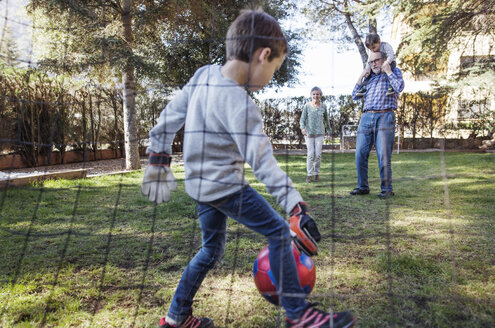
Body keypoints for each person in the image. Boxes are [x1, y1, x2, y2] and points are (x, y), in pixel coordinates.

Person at [141, 8, 356, 328]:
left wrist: (158, 154)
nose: (271, 77)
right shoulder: (241, 106)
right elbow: (263, 162)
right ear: (263, 55)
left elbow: (172, 114)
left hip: (198, 187)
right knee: (280, 234)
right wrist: (294, 205)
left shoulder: (203, 75)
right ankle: (299, 316)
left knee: (211, 250)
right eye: (274, 68)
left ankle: (176, 317)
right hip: (226, 188)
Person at [350, 50, 405, 198]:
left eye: (376, 60)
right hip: (367, 117)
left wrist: (388, 71)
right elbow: (355, 95)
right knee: (360, 154)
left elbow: (399, 87)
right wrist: (362, 75)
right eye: (371, 61)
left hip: (385, 115)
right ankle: (362, 187)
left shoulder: (393, 71)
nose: (373, 64)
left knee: (383, 156)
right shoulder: (370, 78)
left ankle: (387, 189)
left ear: (385, 60)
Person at [299, 86, 331, 183]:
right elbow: (302, 119)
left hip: (320, 134)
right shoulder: (307, 106)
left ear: (320, 95)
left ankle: (316, 174)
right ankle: (309, 175)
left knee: (318, 155)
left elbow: (326, 120)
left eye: (317, 94)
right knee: (310, 155)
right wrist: (302, 128)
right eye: (314, 94)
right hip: (309, 134)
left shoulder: (324, 106)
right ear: (311, 95)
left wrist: (329, 131)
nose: (315, 96)